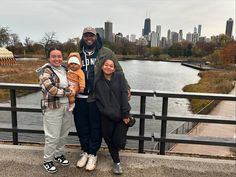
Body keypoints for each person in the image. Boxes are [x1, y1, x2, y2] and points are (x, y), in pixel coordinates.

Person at [73, 26, 131, 171]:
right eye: (86, 36)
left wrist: (127, 87)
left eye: (91, 36)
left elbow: (118, 70)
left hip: (95, 97)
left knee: (95, 127)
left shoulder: (106, 52)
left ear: (96, 37)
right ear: (83, 37)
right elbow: (70, 69)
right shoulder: (78, 54)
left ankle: (93, 153)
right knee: (81, 126)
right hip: (79, 97)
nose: (89, 38)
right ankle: (85, 151)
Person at [36, 46, 73, 174]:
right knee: (52, 136)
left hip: (67, 106)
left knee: (63, 133)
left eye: (59, 56)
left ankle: (59, 155)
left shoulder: (64, 69)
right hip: (53, 107)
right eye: (54, 56)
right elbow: (50, 89)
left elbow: (73, 82)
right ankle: (47, 160)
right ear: (49, 58)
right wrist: (67, 92)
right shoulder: (46, 71)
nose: (57, 59)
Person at [95, 58, 131, 175]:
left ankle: (118, 150)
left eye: (111, 66)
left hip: (121, 116)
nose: (108, 67)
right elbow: (98, 99)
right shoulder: (98, 81)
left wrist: (125, 114)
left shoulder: (120, 77)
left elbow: (124, 95)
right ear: (102, 66)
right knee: (109, 139)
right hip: (106, 116)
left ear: (114, 68)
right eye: (106, 65)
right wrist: (104, 110)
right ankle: (117, 162)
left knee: (118, 142)